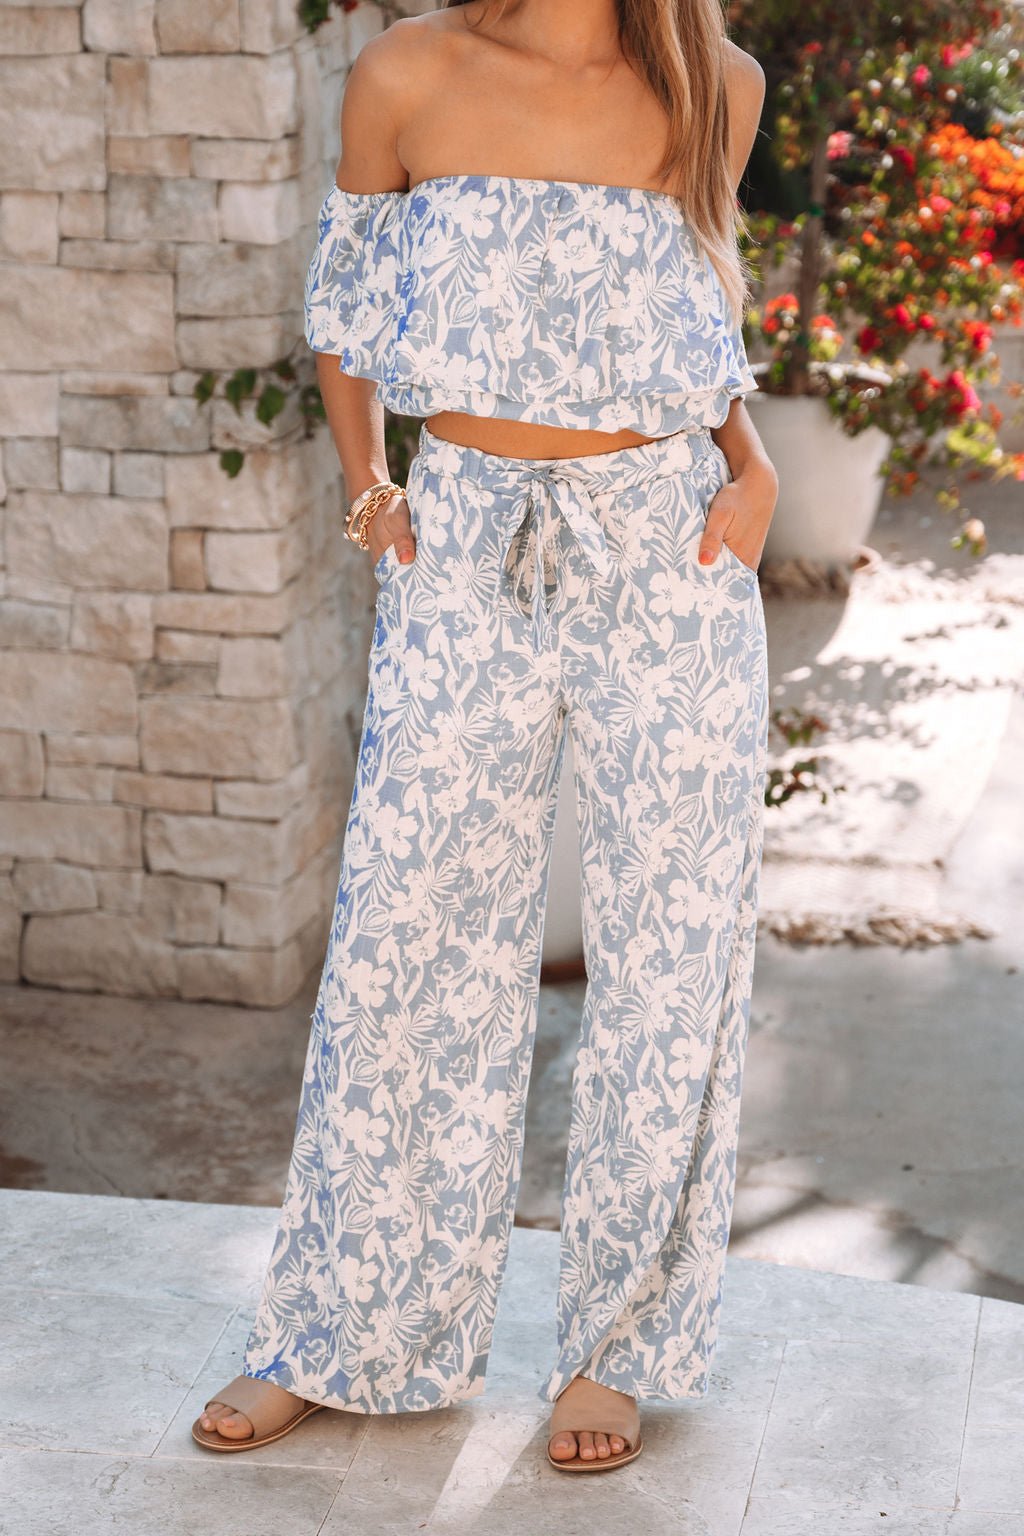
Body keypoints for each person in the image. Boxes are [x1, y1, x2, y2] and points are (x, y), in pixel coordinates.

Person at [192, 0, 775, 1475]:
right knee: (409, 938)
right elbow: (349, 307)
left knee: (675, 950)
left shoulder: (714, 82)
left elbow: (690, 307)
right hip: (464, 540)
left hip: (670, 543)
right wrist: (370, 484)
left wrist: (752, 460)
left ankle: (616, 1349)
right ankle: (345, 1332)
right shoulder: (410, 71)